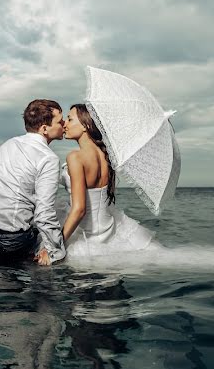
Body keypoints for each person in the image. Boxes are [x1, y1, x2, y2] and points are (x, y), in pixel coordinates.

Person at [0, 99, 67, 265]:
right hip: (10, 244)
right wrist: (55, 253)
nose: (64, 124)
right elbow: (44, 214)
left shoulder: (8, 144)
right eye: (60, 121)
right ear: (44, 129)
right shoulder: (48, 159)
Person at [59, 104, 158, 258]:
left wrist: (56, 244)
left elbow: (79, 210)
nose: (64, 123)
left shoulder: (76, 157)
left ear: (85, 125)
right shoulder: (105, 157)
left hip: (86, 239)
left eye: (70, 119)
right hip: (108, 233)